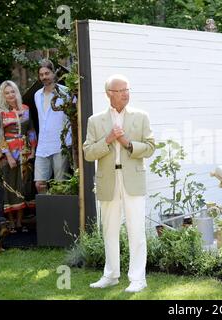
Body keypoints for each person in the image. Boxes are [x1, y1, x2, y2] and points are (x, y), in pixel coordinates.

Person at [83, 74, 155, 293]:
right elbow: (87, 153)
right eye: (120, 90)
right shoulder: (95, 121)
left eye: (127, 89)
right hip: (108, 182)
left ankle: (138, 279)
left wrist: (127, 143)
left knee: (136, 230)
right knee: (110, 231)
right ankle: (111, 275)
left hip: (132, 180)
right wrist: (107, 139)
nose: (125, 93)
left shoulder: (141, 117)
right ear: (109, 94)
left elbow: (151, 147)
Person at [0, 81, 37, 233]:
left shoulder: (25, 109)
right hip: (8, 155)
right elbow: (0, 136)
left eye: (13, 92)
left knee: (23, 185)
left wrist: (33, 149)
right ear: (3, 96)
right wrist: (9, 157)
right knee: (10, 186)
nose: (10, 95)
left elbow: (31, 130)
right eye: (7, 93)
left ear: (16, 93)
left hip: (24, 153)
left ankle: (19, 222)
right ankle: (10, 222)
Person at [33, 59, 71, 194]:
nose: (44, 77)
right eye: (41, 74)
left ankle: (59, 214)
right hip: (43, 145)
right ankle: (46, 211)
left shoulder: (66, 92)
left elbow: (73, 116)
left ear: (53, 73)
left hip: (60, 144)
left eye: (47, 73)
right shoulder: (37, 95)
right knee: (39, 183)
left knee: (60, 184)